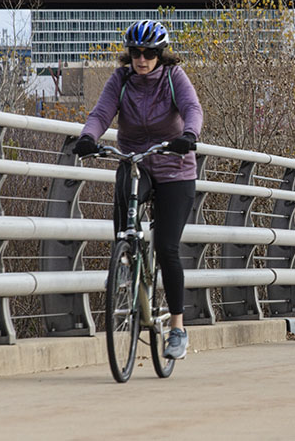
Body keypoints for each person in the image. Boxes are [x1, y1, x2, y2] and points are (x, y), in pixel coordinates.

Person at [73, 20, 203, 360]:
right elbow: (101, 112)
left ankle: (177, 327)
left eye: (148, 54)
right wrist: (89, 137)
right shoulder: (122, 79)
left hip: (175, 168)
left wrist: (189, 136)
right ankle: (126, 268)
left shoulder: (174, 78)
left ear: (160, 55)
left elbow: (192, 109)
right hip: (137, 163)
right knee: (123, 229)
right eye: (135, 53)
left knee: (167, 246)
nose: (141, 60)